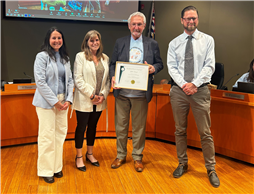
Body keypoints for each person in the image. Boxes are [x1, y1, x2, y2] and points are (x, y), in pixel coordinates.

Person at [167, 6, 220, 188]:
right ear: (182, 20)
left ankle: (211, 168)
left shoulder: (208, 40)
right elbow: (172, 68)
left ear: (198, 19)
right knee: (179, 130)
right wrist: (184, 85)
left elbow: (209, 66)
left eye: (194, 18)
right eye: (188, 18)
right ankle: (182, 163)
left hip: (201, 91)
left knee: (205, 132)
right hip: (178, 92)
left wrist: (194, 84)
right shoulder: (174, 43)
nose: (191, 21)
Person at [109, 12, 163, 172]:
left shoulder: (152, 44)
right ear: (129, 25)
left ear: (144, 26)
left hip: (140, 94)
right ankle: (120, 155)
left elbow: (160, 63)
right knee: (121, 126)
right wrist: (113, 77)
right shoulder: (121, 42)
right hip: (122, 93)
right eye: (134, 24)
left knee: (139, 128)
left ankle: (138, 157)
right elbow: (113, 64)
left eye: (139, 24)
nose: (136, 27)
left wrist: (153, 68)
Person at [32, 27, 74, 183]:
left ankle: (56, 167)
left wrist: (68, 99)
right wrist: (55, 102)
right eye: (54, 38)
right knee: (47, 136)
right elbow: (40, 83)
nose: (57, 41)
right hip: (47, 103)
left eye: (59, 38)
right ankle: (45, 170)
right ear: (48, 40)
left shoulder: (65, 58)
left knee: (60, 135)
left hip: (63, 102)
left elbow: (70, 81)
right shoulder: (42, 57)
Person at [72, 30, 110, 172]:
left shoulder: (105, 58)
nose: (94, 43)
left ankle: (90, 154)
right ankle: (79, 156)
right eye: (91, 40)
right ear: (86, 42)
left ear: (100, 42)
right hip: (85, 100)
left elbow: (107, 81)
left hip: (99, 100)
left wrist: (103, 95)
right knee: (81, 127)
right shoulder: (80, 56)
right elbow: (78, 79)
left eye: (97, 40)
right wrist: (92, 95)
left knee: (92, 127)